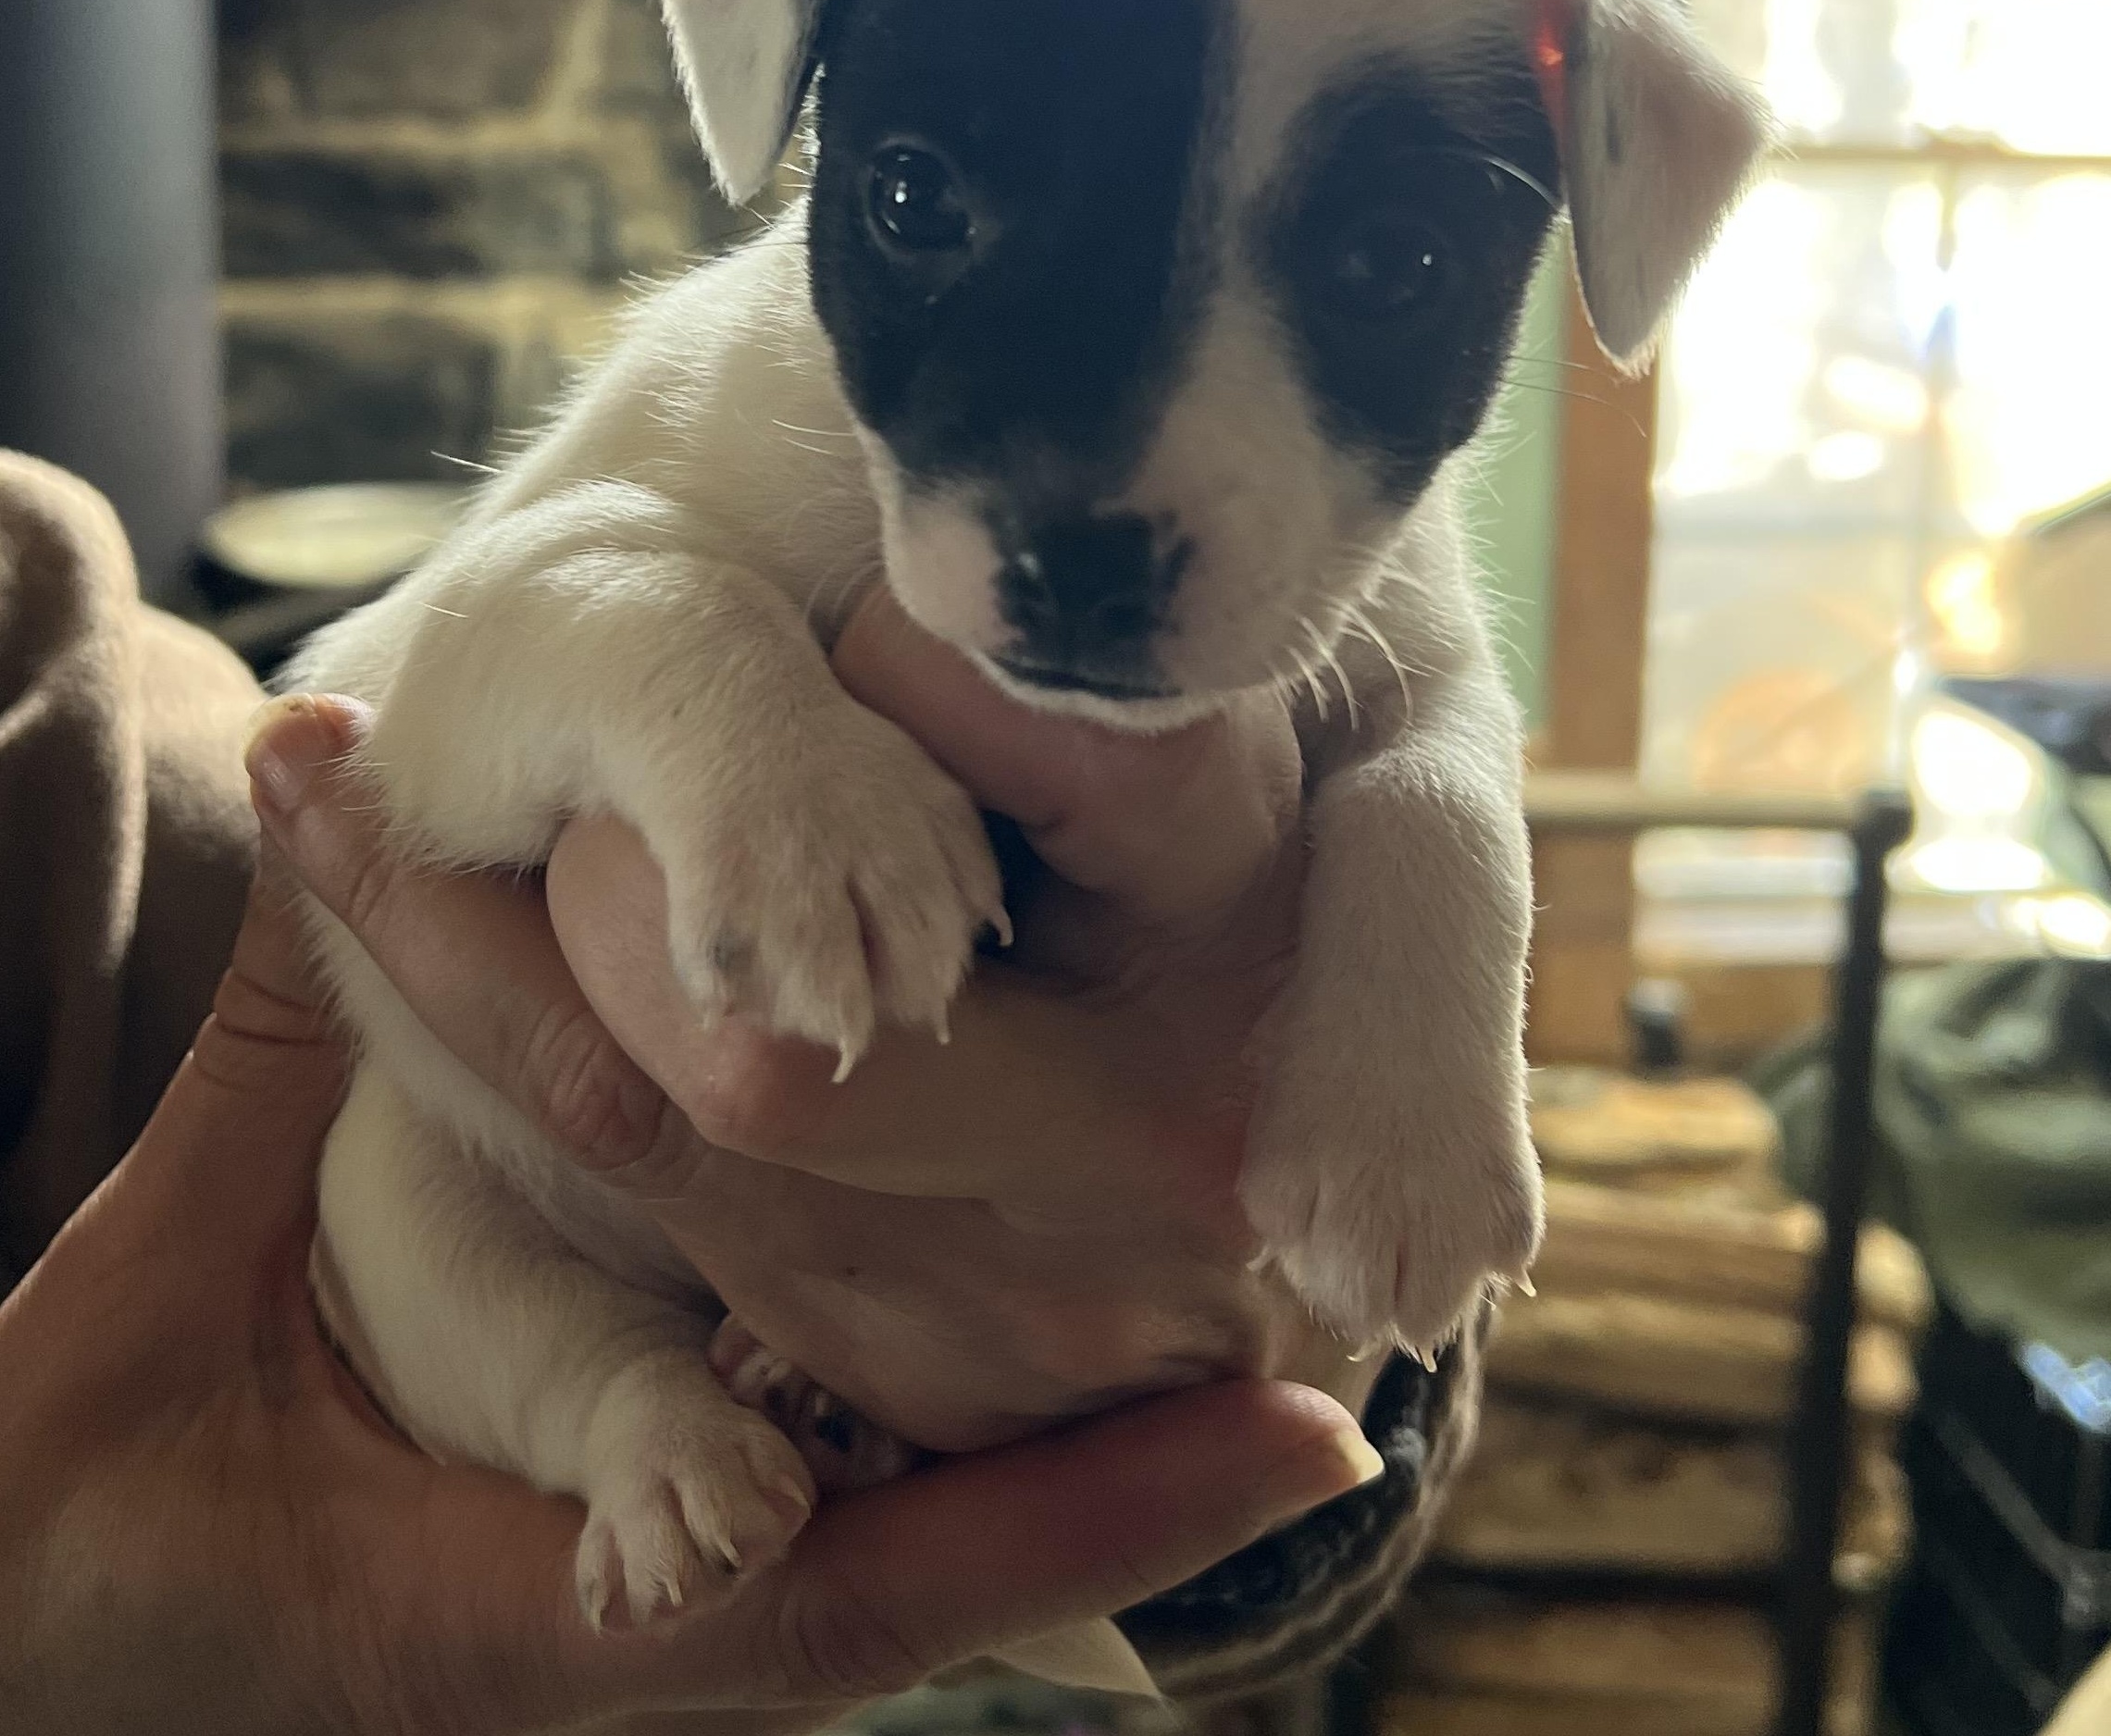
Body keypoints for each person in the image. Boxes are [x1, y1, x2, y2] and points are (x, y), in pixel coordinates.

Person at [0, 451, 1480, 1730]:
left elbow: (435, 681)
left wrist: (1328, 1314)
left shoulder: (76, 720)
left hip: (517, 1228)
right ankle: (627, 1402)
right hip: (513, 1325)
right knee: (424, 1207)